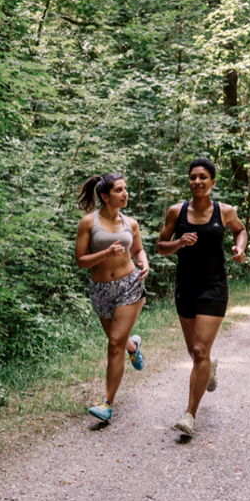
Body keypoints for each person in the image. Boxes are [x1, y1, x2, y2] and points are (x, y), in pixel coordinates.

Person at [157, 158, 247, 436]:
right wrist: (179, 243)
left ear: (213, 182)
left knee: (199, 351)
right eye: (193, 177)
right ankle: (209, 369)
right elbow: (161, 247)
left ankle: (189, 415)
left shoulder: (225, 211)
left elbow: (240, 230)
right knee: (194, 351)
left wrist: (240, 248)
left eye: (203, 177)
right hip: (186, 287)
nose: (197, 181)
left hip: (214, 286)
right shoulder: (176, 212)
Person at [75, 173, 150, 422]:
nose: (125, 193)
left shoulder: (131, 223)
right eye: (119, 190)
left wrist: (144, 263)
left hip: (130, 285)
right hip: (101, 289)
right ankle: (134, 346)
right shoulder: (88, 222)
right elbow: (80, 261)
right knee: (118, 342)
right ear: (105, 196)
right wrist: (106, 253)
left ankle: (107, 403)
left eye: (126, 189)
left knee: (113, 345)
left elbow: (138, 250)